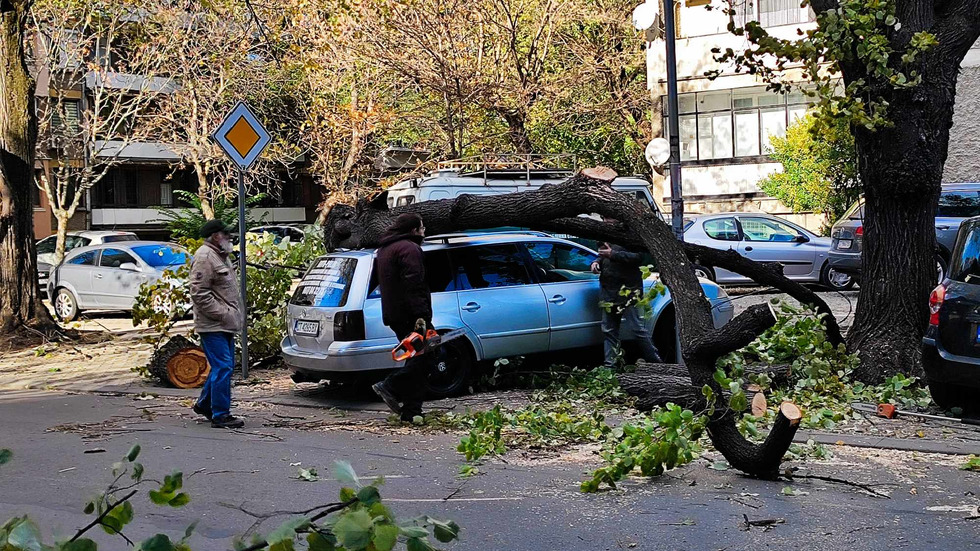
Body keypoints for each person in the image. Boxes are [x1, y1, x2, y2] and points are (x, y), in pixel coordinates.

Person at [371, 213, 435, 422]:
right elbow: (414, 284)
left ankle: (411, 411)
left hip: (394, 313)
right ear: (414, 230)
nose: (424, 232)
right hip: (411, 314)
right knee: (426, 356)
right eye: (422, 227)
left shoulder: (385, 249)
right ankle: (390, 385)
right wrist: (421, 316)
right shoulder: (409, 249)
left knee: (417, 359)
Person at [190, 219, 245, 429]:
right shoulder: (204, 257)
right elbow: (198, 293)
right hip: (212, 324)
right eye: (225, 234)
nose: (229, 237)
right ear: (215, 237)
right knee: (223, 367)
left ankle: (205, 404)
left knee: (222, 367)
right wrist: (223, 314)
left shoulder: (220, 256)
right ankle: (221, 415)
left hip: (224, 323)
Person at [591, 241, 663, 368]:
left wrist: (612, 254)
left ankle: (656, 362)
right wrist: (596, 262)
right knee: (609, 331)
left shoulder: (629, 236)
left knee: (637, 328)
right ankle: (610, 367)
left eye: (609, 218)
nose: (607, 220)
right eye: (605, 218)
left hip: (629, 291)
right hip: (608, 292)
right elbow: (603, 255)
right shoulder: (605, 234)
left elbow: (638, 257)